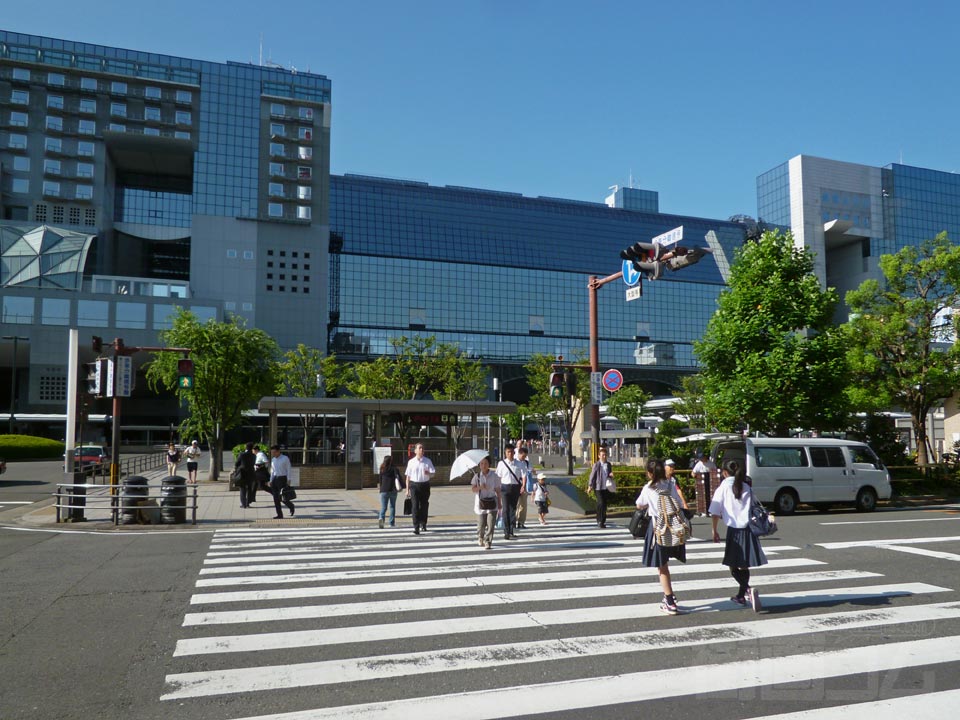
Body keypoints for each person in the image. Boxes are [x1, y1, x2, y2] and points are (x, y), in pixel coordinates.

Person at [710, 459, 768, 611]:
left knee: (732, 566)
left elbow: (714, 511)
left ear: (724, 472)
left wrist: (714, 530)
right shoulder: (746, 487)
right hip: (749, 530)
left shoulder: (723, 488)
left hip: (734, 532)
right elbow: (755, 505)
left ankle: (747, 590)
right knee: (744, 565)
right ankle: (741, 596)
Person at [636, 458, 687, 615]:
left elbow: (639, 504)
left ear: (650, 473)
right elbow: (678, 502)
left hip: (658, 528)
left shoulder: (648, 488)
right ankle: (670, 597)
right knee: (665, 564)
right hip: (674, 527)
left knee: (662, 567)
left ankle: (669, 600)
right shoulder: (670, 484)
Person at [405, 443, 435, 535]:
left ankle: (423, 522)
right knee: (415, 506)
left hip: (425, 485)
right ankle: (416, 526)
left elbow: (433, 474)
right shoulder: (411, 462)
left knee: (424, 505)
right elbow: (408, 477)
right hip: (414, 485)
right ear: (415, 451)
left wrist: (429, 473)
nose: (422, 449)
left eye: (422, 448)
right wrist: (407, 489)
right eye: (420, 448)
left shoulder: (428, 461)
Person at [471, 456, 501, 549]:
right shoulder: (477, 476)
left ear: (489, 465)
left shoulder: (494, 475)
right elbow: (473, 489)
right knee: (481, 525)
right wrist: (480, 487)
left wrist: (499, 503)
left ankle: (488, 541)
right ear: (479, 465)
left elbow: (498, 490)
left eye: (486, 463)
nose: (483, 465)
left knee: (491, 524)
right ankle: (480, 536)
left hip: (492, 502)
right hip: (480, 504)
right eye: (482, 463)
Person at [496, 443, 524, 540]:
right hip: (504, 488)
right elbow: (498, 477)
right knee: (505, 510)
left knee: (513, 509)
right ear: (505, 453)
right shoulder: (501, 463)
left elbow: (523, 475)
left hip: (515, 487)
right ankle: (506, 531)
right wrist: (497, 489)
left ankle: (511, 530)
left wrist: (523, 486)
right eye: (508, 452)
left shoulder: (519, 463)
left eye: (512, 452)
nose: (510, 454)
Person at [588, 446, 616, 528]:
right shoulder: (596, 465)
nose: (604, 456)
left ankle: (602, 521)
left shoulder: (608, 464)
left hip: (606, 487)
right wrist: (590, 486)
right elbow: (592, 476)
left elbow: (609, 474)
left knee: (604, 504)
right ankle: (599, 520)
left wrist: (611, 475)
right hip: (598, 487)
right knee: (601, 503)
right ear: (599, 456)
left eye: (605, 455)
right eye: (602, 455)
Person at [269, 444, 295, 519]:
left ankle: (291, 506)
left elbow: (289, 469)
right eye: (272, 452)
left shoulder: (285, 458)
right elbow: (272, 471)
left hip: (283, 478)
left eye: (274, 452)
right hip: (275, 479)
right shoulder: (273, 460)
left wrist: (289, 479)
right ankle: (279, 514)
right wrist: (271, 480)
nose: (273, 454)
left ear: (278, 451)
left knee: (283, 497)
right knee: (276, 498)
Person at [378, 454, 402, 529]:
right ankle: (391, 522)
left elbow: (380, 480)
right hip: (393, 490)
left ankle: (381, 520)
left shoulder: (382, 469)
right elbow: (399, 478)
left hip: (384, 490)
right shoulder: (395, 469)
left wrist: (380, 488)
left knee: (383, 507)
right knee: (392, 506)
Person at [515, 446, 535, 528]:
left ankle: (521, 522)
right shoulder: (514, 462)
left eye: (525, 456)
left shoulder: (526, 463)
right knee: (516, 505)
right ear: (519, 454)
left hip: (524, 485)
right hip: (515, 485)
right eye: (523, 456)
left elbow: (531, 470)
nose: (524, 458)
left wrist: (533, 471)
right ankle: (513, 521)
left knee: (523, 505)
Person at [692, 452, 717, 516]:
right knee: (702, 496)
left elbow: (715, 471)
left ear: (705, 457)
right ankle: (703, 511)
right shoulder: (698, 464)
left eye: (702, 458)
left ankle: (710, 510)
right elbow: (693, 473)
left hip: (710, 480)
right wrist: (695, 476)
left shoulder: (711, 464)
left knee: (710, 495)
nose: (701, 459)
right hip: (701, 481)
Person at [235, 442, 257, 509]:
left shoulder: (242, 454)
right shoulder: (254, 456)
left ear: (246, 447)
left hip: (242, 473)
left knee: (242, 488)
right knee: (249, 488)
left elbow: (237, 463)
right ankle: (248, 503)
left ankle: (243, 504)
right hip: (251, 473)